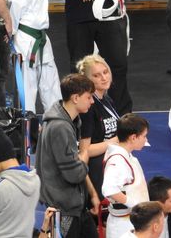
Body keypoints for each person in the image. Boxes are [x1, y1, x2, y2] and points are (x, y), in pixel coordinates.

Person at [35, 73, 100, 238]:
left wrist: (92, 194)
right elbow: (74, 173)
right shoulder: (60, 127)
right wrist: (83, 158)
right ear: (75, 98)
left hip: (74, 207)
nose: (92, 101)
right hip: (64, 211)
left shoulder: (66, 120)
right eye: (89, 97)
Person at [9, 0, 61, 114]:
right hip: (25, 39)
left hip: (42, 38)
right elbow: (13, 16)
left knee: (51, 83)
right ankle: (27, 122)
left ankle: (56, 120)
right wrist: (12, 40)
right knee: (28, 86)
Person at [77, 54, 120, 200]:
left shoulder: (107, 100)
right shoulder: (88, 107)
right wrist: (117, 140)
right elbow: (85, 150)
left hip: (110, 165)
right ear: (87, 80)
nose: (104, 78)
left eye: (105, 72)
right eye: (96, 75)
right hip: (97, 171)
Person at [102, 113, 150, 238]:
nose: (146, 140)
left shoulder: (125, 156)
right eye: (144, 136)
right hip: (123, 226)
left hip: (129, 222)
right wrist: (135, 204)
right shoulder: (118, 160)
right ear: (133, 137)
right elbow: (109, 189)